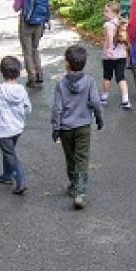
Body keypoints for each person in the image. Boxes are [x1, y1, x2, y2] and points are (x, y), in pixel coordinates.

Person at [51, 45, 104, 210]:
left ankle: (74, 186)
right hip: (83, 126)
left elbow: (57, 109)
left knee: (70, 157)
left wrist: (56, 128)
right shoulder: (89, 82)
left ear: (67, 63)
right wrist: (99, 119)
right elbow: (96, 102)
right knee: (82, 158)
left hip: (66, 128)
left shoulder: (61, 84)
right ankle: (80, 193)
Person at [0, 56, 32, 194]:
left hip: (3, 128)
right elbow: (28, 108)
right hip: (17, 127)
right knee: (9, 151)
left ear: (1, 71)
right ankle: (7, 175)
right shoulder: (21, 90)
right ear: (19, 72)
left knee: (10, 154)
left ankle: (21, 180)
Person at [12, 0, 46, 87]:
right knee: (35, 48)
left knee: (27, 51)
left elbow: (16, 8)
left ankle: (31, 78)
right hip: (39, 24)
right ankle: (39, 74)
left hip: (26, 23)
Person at [101, 1, 131, 110]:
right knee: (121, 77)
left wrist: (109, 49)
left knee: (107, 76)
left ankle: (104, 98)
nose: (104, 13)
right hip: (122, 55)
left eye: (107, 11)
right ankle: (125, 100)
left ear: (114, 12)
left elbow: (109, 36)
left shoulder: (108, 24)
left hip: (109, 56)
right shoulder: (122, 22)